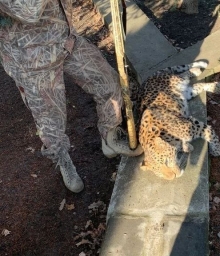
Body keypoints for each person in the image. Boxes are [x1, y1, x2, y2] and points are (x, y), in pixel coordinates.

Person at [0, 0, 142, 193]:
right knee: (50, 120)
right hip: (32, 60)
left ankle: (110, 136)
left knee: (107, 81)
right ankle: (62, 159)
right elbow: (29, 10)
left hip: (66, 39)